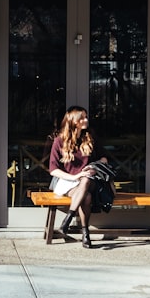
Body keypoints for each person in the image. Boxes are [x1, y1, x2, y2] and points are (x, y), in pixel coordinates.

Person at [48, 106, 110, 248]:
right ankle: (85, 233)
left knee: (86, 179)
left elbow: (104, 158)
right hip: (67, 181)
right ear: (73, 121)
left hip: (90, 179)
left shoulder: (90, 136)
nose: (86, 120)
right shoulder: (59, 141)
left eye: (86, 117)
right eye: (82, 118)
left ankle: (68, 219)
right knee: (86, 197)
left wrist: (95, 166)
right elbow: (53, 170)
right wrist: (75, 176)